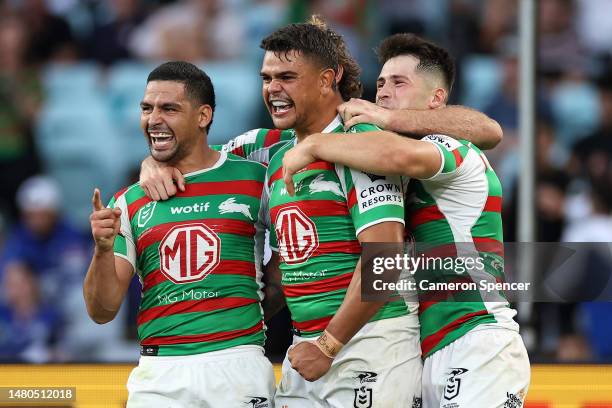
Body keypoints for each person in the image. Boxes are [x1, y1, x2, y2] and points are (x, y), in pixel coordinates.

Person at [139, 19, 503, 408]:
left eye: (287, 77)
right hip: (306, 350)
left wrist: (329, 345)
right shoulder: (267, 148)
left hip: (369, 347)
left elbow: (385, 259)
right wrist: (155, 163)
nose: (272, 89)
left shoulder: (362, 144)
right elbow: (201, 160)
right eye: (266, 78)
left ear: (327, 79)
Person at [281, 33, 531, 408]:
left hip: (476, 336)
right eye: (380, 83)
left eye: (399, 83)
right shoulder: (390, 159)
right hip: (427, 346)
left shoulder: (451, 149)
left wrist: (315, 144)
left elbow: (415, 152)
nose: (383, 93)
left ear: (436, 99)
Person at [83, 61, 275, 407]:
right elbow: (101, 311)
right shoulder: (128, 200)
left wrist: (327, 339)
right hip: (160, 370)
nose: (153, 119)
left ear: (203, 116)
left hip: (237, 361)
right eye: (147, 108)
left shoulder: (256, 176)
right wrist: (101, 250)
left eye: (169, 108)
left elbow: (296, 259)